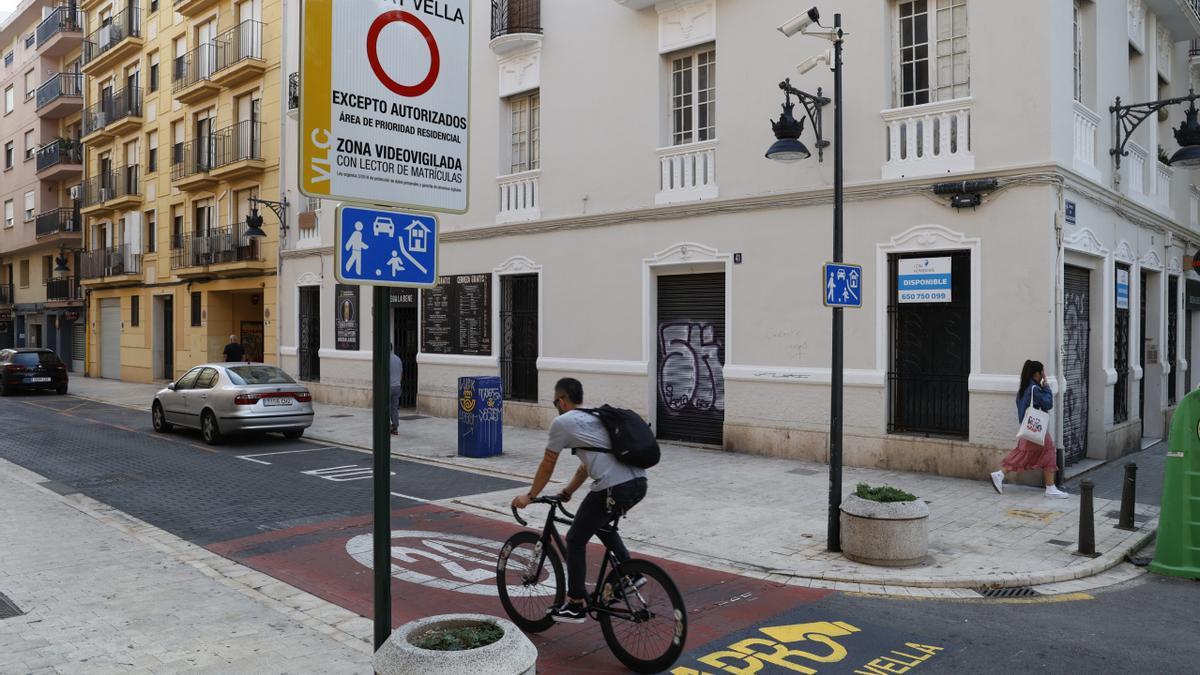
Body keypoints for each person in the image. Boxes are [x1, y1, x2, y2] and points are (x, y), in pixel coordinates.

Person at [511, 378, 648, 624]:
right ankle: (630, 573)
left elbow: (548, 463)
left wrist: (529, 496)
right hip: (638, 483)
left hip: (613, 487)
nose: (556, 407)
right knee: (601, 523)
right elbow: (587, 465)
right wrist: (568, 491)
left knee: (575, 539)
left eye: (555, 402)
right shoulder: (595, 416)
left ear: (561, 401)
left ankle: (575, 603)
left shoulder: (562, 422)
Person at [990, 360, 1069, 498]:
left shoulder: (1024, 389)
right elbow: (1048, 403)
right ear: (1036, 374)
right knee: (1049, 450)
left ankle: (1000, 474)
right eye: (1042, 372)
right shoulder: (1035, 389)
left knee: (1024, 454)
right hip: (1036, 428)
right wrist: (1047, 386)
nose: (1044, 375)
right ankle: (1050, 487)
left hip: (1028, 427)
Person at [389, 347, 403, 435]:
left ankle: (386, 427)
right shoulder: (398, 358)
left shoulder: (384, 359)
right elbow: (401, 373)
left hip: (388, 387)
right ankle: (395, 427)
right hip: (397, 386)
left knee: (385, 408)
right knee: (394, 408)